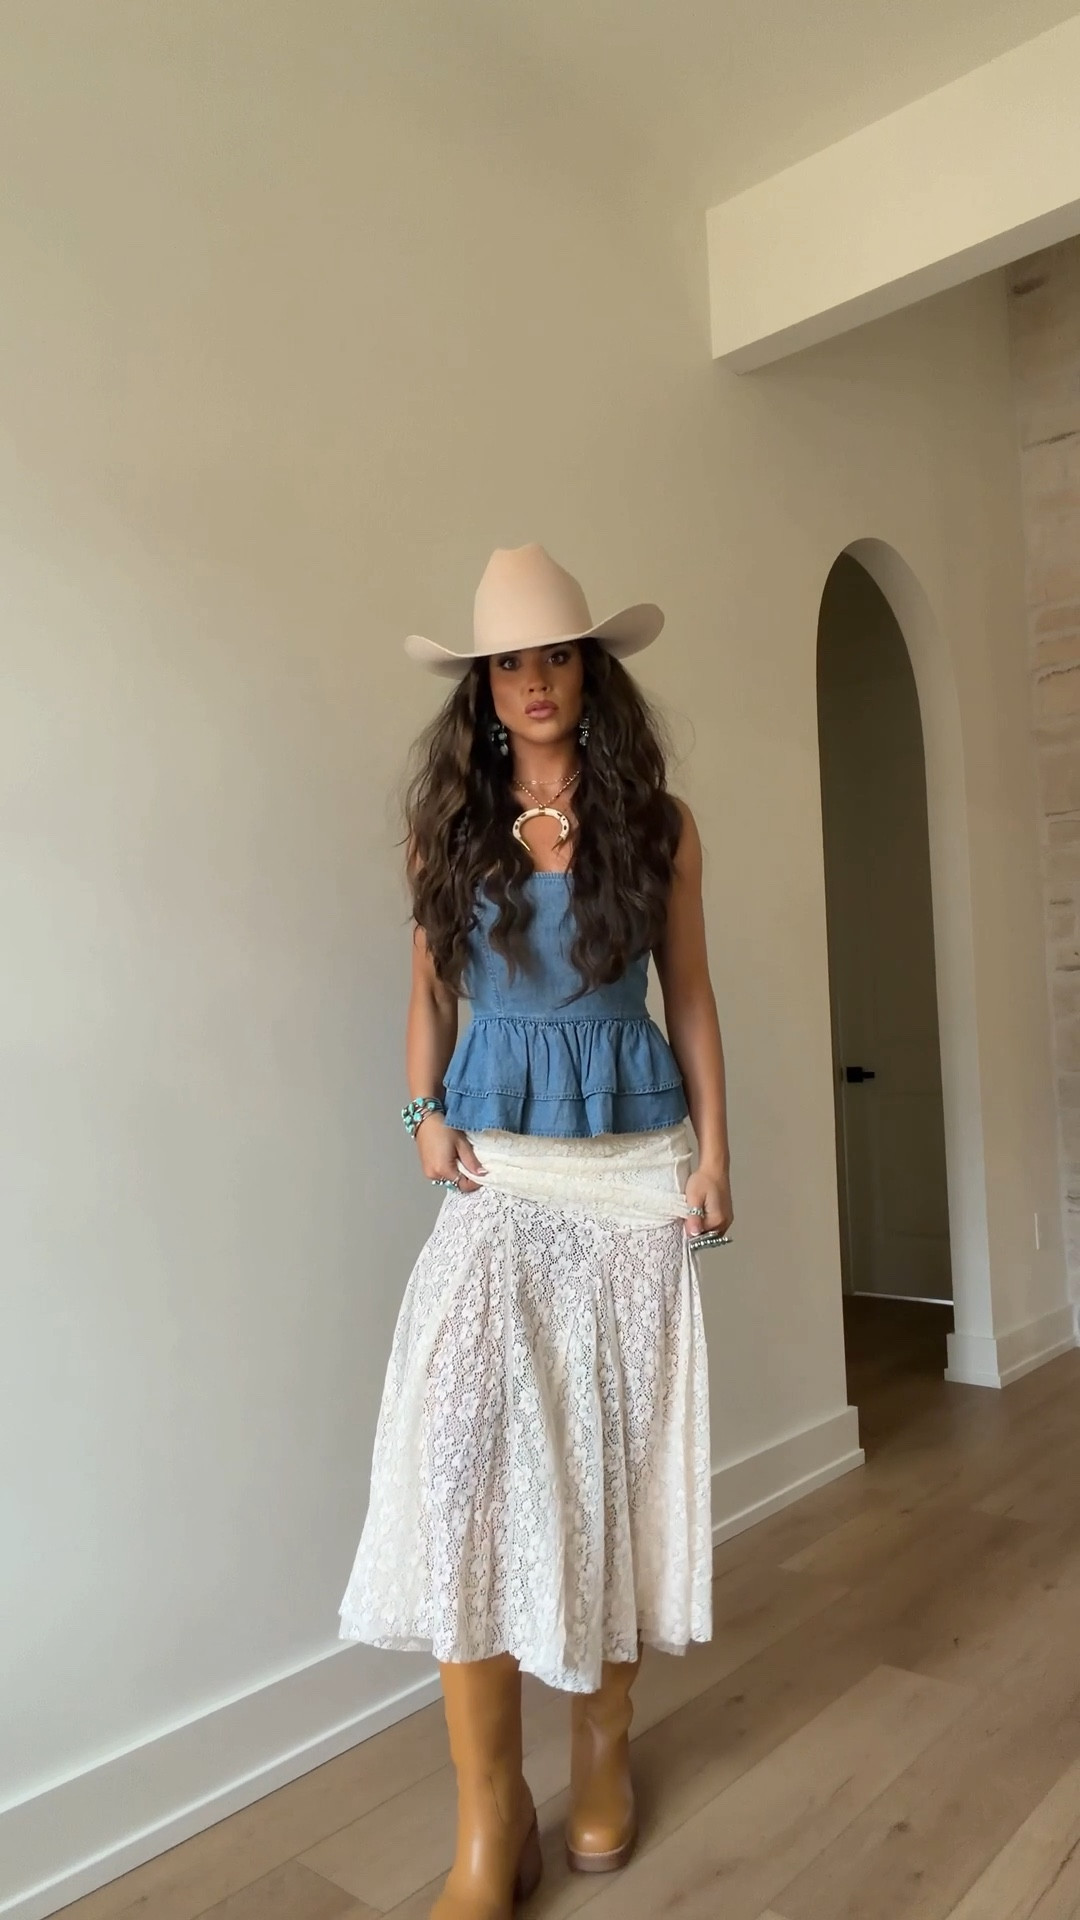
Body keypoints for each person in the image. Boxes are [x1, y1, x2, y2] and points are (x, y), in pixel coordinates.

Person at [339, 543, 732, 1919]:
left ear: (590, 670)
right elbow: (428, 997)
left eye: (556, 655)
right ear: (483, 689)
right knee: (462, 1470)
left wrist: (716, 1154)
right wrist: (419, 1115)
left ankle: (603, 1753)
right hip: (499, 1171)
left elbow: (690, 994)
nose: (535, 682)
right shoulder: (446, 832)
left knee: (609, 1470)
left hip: (632, 1173)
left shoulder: (659, 825)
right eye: (509, 662)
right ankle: (490, 1812)